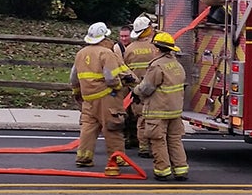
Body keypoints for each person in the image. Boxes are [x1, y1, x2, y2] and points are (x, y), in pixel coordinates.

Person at [70, 22, 136, 175]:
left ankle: (84, 158)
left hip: (88, 99)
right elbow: (111, 78)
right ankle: (117, 157)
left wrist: (77, 93)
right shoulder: (106, 53)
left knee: (88, 128)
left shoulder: (81, 53)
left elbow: (73, 78)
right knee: (113, 127)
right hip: (107, 98)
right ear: (104, 37)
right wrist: (119, 87)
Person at [131, 31, 188, 182]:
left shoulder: (157, 66)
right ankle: (181, 170)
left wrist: (135, 91)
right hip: (175, 111)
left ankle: (162, 171)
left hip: (158, 111)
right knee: (175, 139)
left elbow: (146, 88)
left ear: (157, 49)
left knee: (158, 140)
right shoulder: (176, 64)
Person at [123, 13, 160, 158]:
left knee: (140, 119)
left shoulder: (130, 49)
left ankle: (143, 147)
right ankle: (151, 146)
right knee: (153, 120)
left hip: (136, 91)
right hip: (154, 89)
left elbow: (125, 69)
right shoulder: (156, 47)